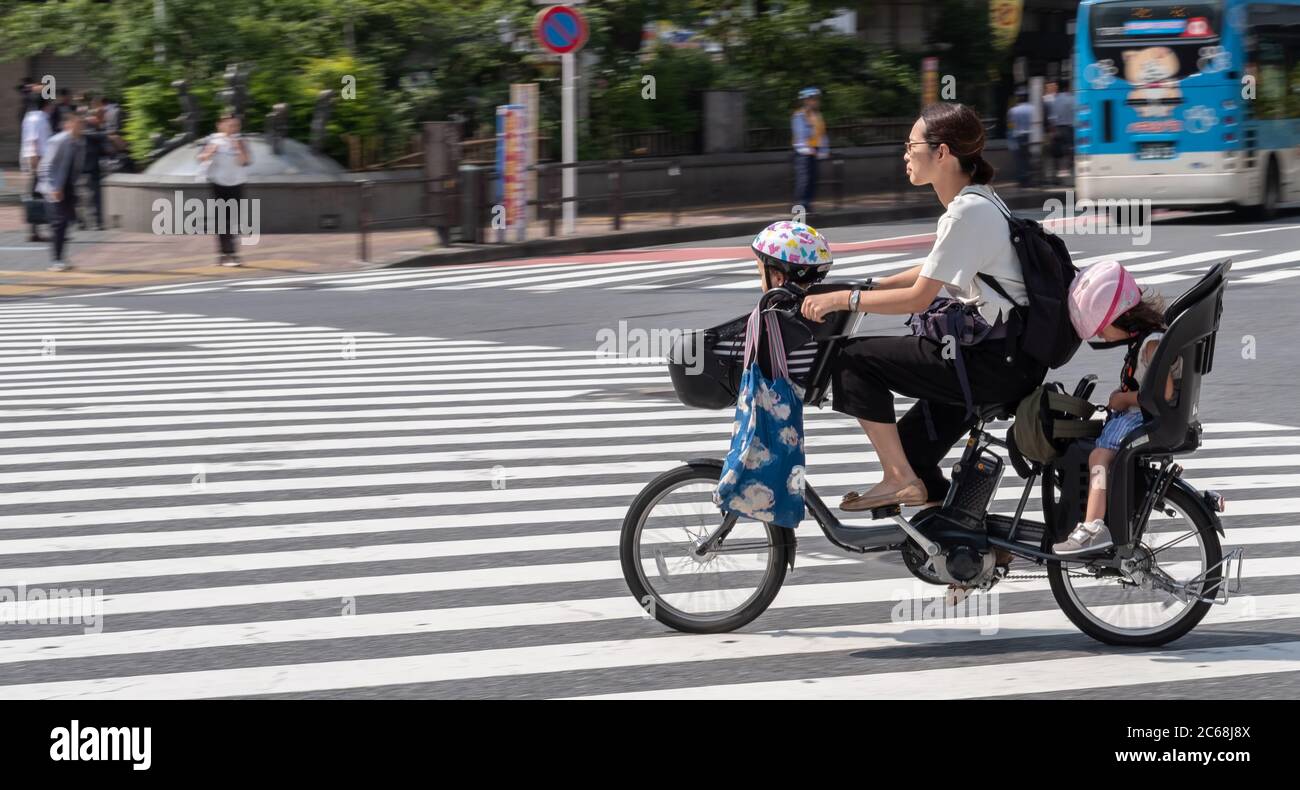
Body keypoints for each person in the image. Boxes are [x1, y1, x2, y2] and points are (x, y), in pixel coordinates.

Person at [799, 102, 1046, 517]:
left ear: (943, 153)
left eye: (910, 145)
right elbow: (935, 265)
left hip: (990, 365)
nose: (905, 154)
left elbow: (919, 298)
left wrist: (843, 300)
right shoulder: (981, 202)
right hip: (1007, 360)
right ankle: (965, 539)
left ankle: (899, 479)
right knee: (913, 450)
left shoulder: (967, 212)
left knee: (852, 360)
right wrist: (871, 285)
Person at [1054, 261, 1180, 555]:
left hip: (1144, 418)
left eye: (1102, 328)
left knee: (1099, 457)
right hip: (1141, 416)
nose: (1101, 336)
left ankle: (1093, 527)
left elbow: (1164, 394)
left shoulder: (1150, 344)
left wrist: (1124, 400)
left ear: (1120, 317)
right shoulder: (1148, 338)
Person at [197, 113, 252, 266]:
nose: (233, 128)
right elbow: (201, 158)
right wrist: (209, 152)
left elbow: (245, 161)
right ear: (220, 125)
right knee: (223, 220)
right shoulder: (212, 139)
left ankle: (229, 254)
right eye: (230, 125)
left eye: (236, 125)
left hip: (237, 183)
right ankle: (227, 254)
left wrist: (238, 148)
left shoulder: (241, 140)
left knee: (234, 220)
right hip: (218, 183)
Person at [37, 110, 86, 272]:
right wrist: (53, 188)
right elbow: (45, 166)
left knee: (66, 224)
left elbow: (76, 167)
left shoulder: (79, 142)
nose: (81, 126)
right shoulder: (58, 141)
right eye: (78, 123)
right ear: (69, 124)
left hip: (68, 187)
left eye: (82, 123)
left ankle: (61, 258)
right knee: (59, 224)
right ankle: (56, 261)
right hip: (54, 187)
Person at [20, 95, 54, 243]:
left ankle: (36, 231)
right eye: (50, 105)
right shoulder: (37, 119)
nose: (52, 108)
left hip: (38, 160)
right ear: (45, 105)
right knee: (39, 195)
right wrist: (36, 165)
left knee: (38, 196)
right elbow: (33, 141)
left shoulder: (31, 118)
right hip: (39, 161)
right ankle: (37, 231)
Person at [791, 87, 829, 213]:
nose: (816, 102)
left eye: (816, 99)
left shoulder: (817, 115)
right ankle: (800, 206)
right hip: (803, 152)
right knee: (804, 179)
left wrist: (823, 150)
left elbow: (822, 134)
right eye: (813, 99)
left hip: (815, 151)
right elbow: (800, 135)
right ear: (806, 101)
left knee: (813, 179)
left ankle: (808, 204)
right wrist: (807, 149)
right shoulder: (799, 115)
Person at [1006, 87, 1034, 187]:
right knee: (1030, 158)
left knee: (1020, 159)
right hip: (1032, 136)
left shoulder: (1013, 111)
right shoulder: (1033, 108)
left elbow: (1011, 125)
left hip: (1018, 136)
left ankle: (1022, 180)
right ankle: (1031, 179)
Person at [1050, 82, 1075, 182]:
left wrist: (1053, 129)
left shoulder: (1056, 99)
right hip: (1072, 126)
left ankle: (1061, 170)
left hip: (1059, 127)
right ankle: (1070, 168)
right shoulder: (1074, 98)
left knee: (1060, 148)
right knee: (1071, 148)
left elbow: (1053, 116)